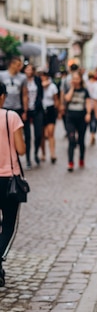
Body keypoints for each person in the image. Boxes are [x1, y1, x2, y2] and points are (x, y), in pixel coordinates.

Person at [0, 82, 26, 287]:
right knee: (8, 223)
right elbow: (21, 149)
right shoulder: (11, 117)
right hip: (9, 179)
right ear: (3, 97)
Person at [64, 70, 91, 172]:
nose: (75, 80)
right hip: (70, 117)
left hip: (81, 118)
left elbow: (88, 102)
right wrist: (72, 88)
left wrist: (88, 113)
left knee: (81, 140)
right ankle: (70, 162)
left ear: (80, 79)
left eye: (77, 79)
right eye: (73, 79)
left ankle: (81, 158)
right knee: (71, 140)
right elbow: (67, 99)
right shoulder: (69, 89)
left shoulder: (85, 90)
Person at [23, 64, 43, 169]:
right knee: (27, 136)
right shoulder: (22, 80)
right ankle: (28, 159)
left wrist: (38, 103)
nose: (29, 71)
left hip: (37, 109)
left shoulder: (37, 79)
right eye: (27, 69)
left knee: (38, 134)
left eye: (31, 69)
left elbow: (41, 94)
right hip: (26, 110)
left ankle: (35, 153)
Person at [0, 56, 28, 120]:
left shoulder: (23, 77)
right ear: (12, 64)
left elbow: (25, 94)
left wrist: (25, 110)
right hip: (5, 106)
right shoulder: (2, 75)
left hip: (17, 107)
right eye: (18, 65)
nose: (20, 67)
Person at [41, 71, 59, 163]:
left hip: (50, 109)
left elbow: (56, 99)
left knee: (50, 133)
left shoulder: (52, 87)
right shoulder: (39, 85)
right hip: (41, 110)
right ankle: (43, 153)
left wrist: (58, 111)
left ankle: (52, 153)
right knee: (42, 134)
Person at [86, 70, 97, 145]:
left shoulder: (86, 84)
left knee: (90, 121)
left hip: (88, 104)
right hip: (95, 104)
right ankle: (92, 134)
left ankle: (92, 135)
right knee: (94, 121)